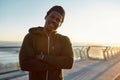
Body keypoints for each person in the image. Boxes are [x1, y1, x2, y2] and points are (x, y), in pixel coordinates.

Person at [19, 5, 74, 80]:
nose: (54, 20)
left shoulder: (64, 40)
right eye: (52, 17)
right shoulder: (30, 37)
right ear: (46, 17)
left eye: (58, 20)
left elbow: (68, 63)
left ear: (60, 24)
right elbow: (25, 64)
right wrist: (58, 63)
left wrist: (43, 57)